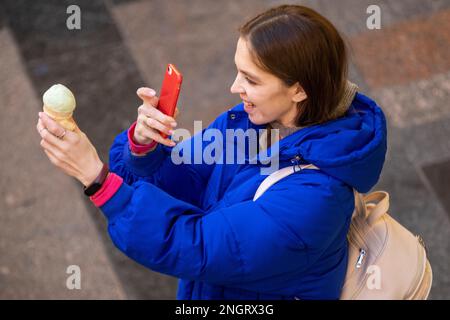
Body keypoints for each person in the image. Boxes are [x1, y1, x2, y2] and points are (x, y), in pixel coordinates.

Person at [36, 4, 387, 300]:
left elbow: (196, 245)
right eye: (238, 72)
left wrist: (96, 179)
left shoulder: (315, 199)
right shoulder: (251, 123)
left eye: (251, 79)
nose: (234, 88)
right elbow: (189, 182)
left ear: (298, 90)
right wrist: (146, 147)